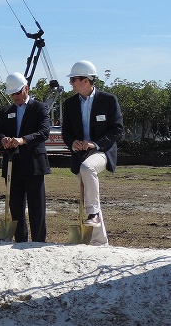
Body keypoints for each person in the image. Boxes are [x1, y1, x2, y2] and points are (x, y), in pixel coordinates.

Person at [62, 60, 124, 246]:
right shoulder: (70, 103)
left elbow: (117, 130)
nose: (71, 83)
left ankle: (93, 213)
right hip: (80, 154)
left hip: (101, 151)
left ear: (87, 80)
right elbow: (66, 131)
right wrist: (74, 143)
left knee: (88, 169)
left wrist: (94, 144)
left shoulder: (108, 100)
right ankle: (99, 240)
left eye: (74, 79)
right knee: (89, 191)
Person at [0, 72, 51, 243]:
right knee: (16, 208)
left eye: (17, 93)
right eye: (12, 94)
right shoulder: (6, 111)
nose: (15, 97)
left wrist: (23, 140)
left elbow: (43, 132)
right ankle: (20, 241)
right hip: (13, 164)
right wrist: (3, 139)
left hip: (34, 164)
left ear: (26, 89)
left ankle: (38, 242)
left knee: (36, 208)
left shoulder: (39, 108)